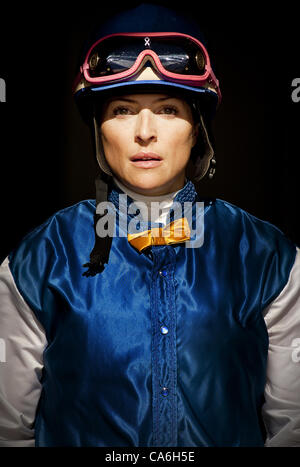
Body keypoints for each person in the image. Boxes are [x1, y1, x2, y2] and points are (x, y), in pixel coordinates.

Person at [0, 3, 299, 447]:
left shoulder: (267, 257)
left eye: (167, 109)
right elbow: (9, 430)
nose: (144, 131)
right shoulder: (42, 258)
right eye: (122, 109)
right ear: (99, 128)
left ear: (198, 129)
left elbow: (291, 425)